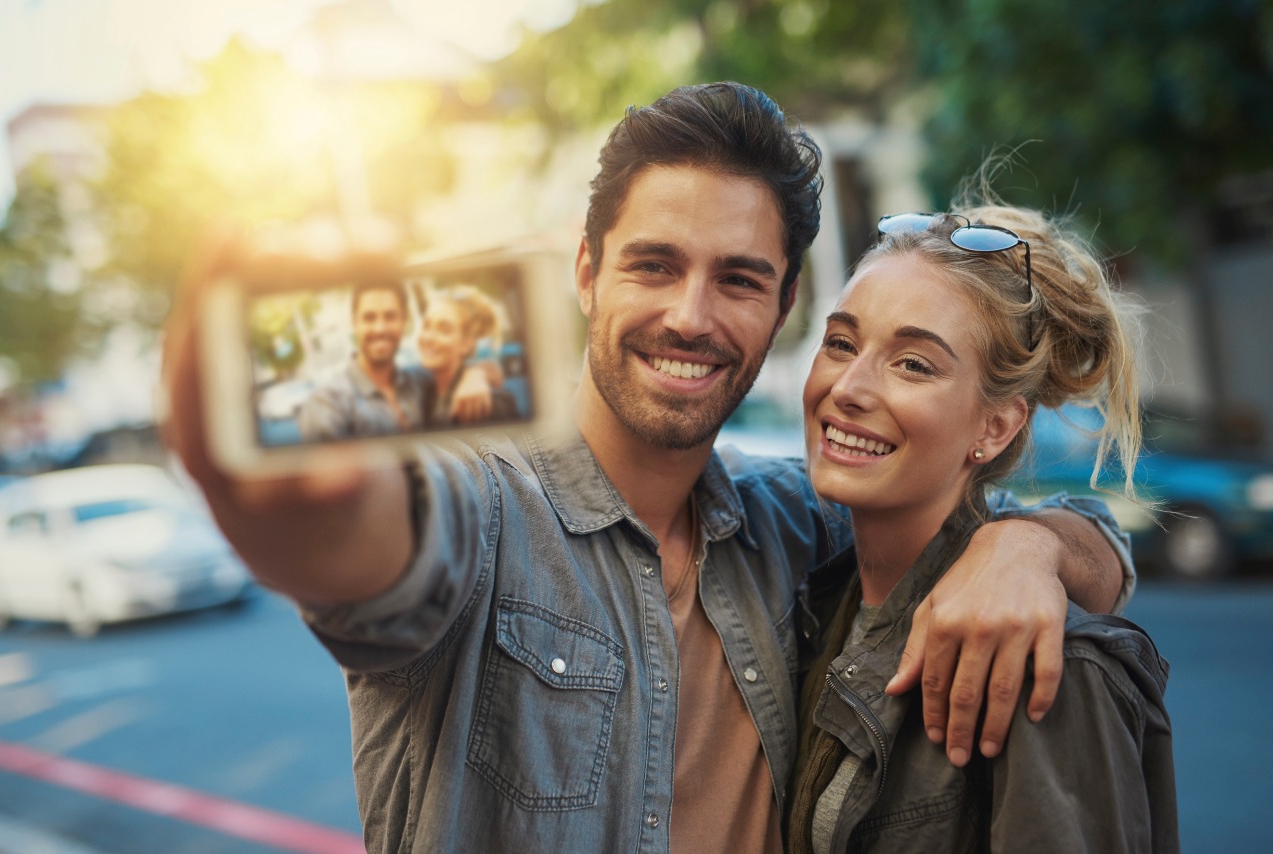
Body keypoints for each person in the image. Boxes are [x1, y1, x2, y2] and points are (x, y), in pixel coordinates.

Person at [161, 83, 1134, 853]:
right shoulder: (484, 504)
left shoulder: (794, 521)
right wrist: (261, 481)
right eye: (653, 265)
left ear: (783, 304)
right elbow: (353, 539)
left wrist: (1032, 543)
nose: (690, 315)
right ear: (586, 273)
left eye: (738, 278)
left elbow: (978, 517)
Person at [787, 205, 1177, 852]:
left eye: (914, 364)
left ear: (994, 428)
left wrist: (1033, 544)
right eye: (841, 343)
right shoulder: (814, 594)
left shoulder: (1041, 658)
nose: (849, 387)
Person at [297, 279, 496, 440]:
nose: (380, 328)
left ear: (404, 321)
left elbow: (460, 370)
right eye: (369, 318)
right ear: (354, 323)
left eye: (390, 316)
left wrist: (475, 373)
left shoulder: (418, 381)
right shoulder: (327, 402)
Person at [415, 284, 520, 427]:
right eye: (426, 326)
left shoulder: (487, 403)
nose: (428, 338)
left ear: (466, 344)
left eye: (444, 330)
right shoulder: (425, 393)